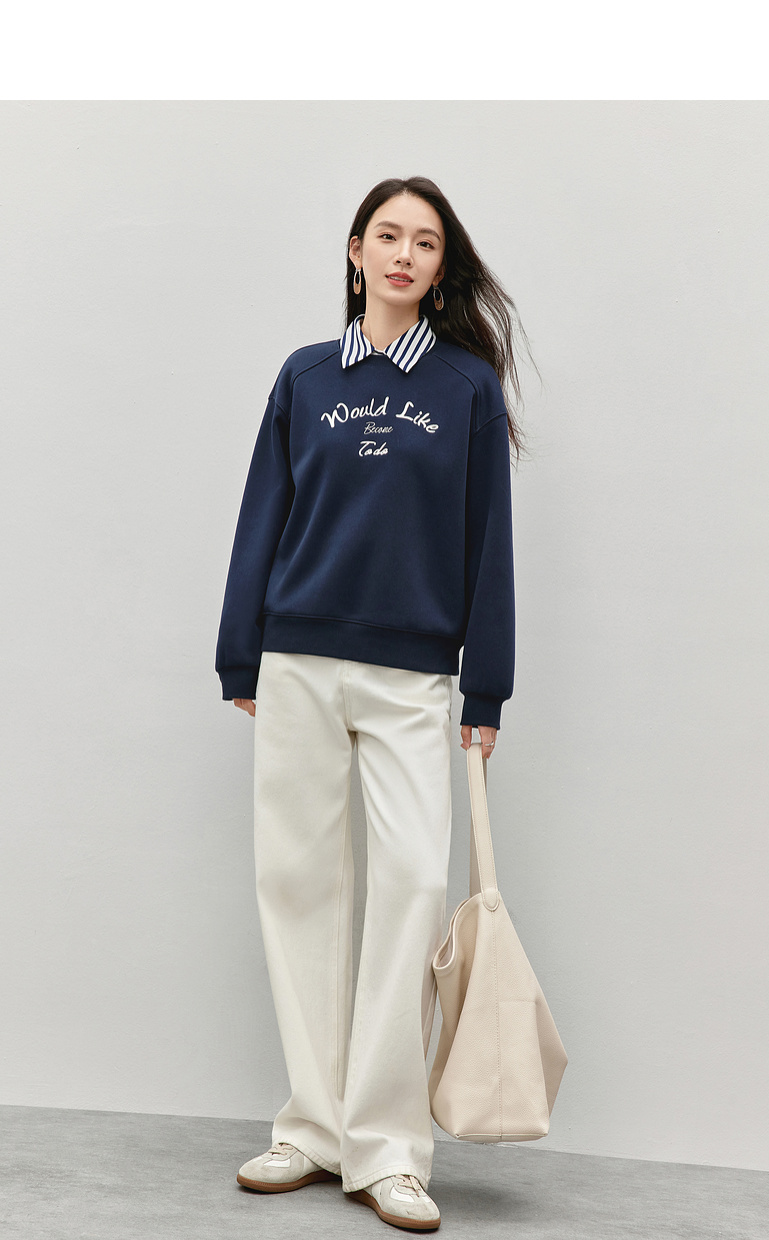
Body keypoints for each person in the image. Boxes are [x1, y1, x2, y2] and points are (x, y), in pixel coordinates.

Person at [215, 175, 530, 1232]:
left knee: (409, 886)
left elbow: (488, 538)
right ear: (355, 252)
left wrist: (486, 680)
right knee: (296, 884)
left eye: (424, 242)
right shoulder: (305, 376)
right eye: (386, 235)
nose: (403, 254)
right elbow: (263, 514)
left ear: (441, 268)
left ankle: (388, 1147)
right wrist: (240, 655)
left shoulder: (467, 387)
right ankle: (312, 1127)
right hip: (297, 660)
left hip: (412, 676)